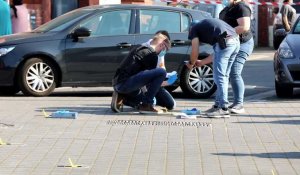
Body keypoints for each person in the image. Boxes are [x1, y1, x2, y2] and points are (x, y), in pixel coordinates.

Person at [204, 0, 254, 114]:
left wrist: (224, 35)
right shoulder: (226, 9)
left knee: (234, 72)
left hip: (242, 44)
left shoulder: (241, 7)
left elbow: (244, 27)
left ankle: (239, 104)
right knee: (222, 74)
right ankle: (218, 104)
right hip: (229, 43)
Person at [187, 18, 240, 118]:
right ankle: (217, 105)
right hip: (235, 41)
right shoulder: (207, 24)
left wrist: (191, 63)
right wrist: (202, 62)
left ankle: (223, 108)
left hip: (225, 42)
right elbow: (217, 53)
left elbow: (195, 50)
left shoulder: (194, 29)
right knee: (224, 75)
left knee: (219, 76)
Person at [111, 33, 171, 113]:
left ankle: (123, 97)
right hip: (125, 84)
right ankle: (146, 105)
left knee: (143, 99)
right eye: (165, 50)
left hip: (118, 83)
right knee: (161, 72)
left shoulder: (139, 47)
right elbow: (150, 83)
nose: (164, 52)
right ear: (162, 45)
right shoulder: (152, 55)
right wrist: (166, 82)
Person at [140, 30, 176, 111]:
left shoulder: (160, 51)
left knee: (171, 104)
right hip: (143, 84)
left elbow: (161, 70)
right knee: (147, 100)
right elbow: (141, 76)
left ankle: (151, 99)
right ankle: (139, 100)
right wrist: (147, 95)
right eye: (164, 47)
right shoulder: (145, 50)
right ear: (160, 43)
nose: (164, 51)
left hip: (154, 83)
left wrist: (167, 79)